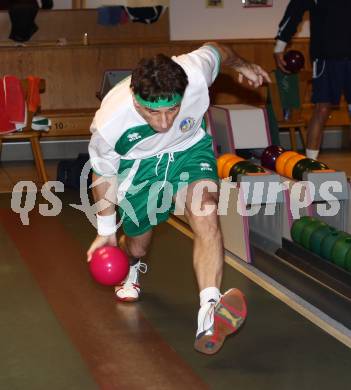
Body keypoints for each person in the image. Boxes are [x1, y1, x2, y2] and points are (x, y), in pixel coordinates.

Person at [87, 42, 270, 355]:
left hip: (188, 151)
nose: (163, 123)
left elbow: (219, 50)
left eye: (172, 109)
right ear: (135, 97)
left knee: (206, 211)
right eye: (151, 112)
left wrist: (241, 65)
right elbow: (102, 177)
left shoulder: (195, 72)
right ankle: (132, 264)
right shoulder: (109, 125)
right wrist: (105, 231)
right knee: (137, 245)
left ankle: (208, 312)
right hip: (139, 166)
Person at [274, 0, 351, 160]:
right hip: (326, 57)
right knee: (322, 109)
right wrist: (280, 46)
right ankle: (311, 166)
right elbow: (295, 10)